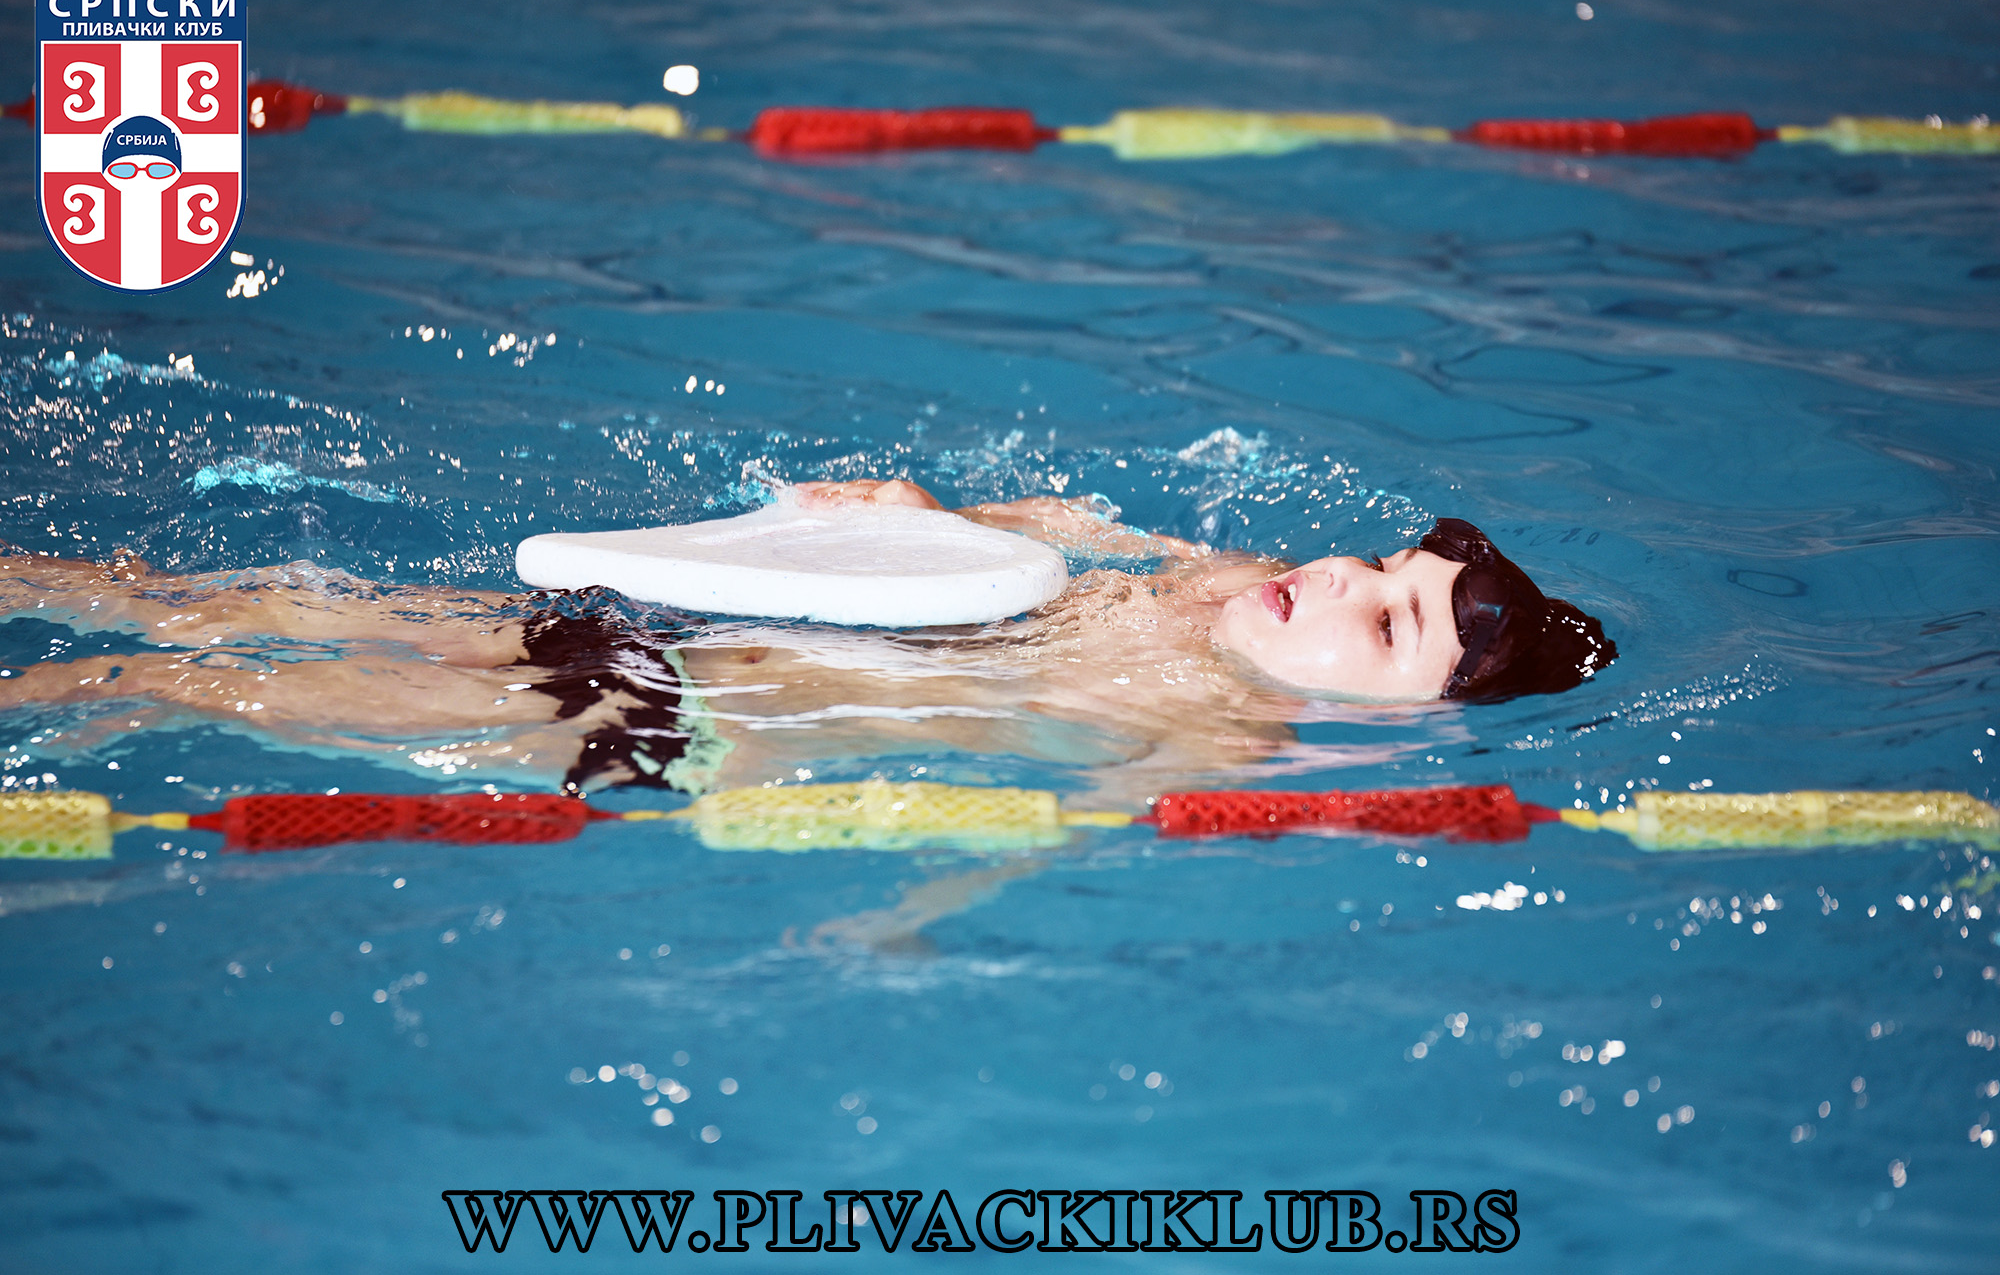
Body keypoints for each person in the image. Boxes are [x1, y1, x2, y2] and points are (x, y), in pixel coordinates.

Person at [0, 480, 1613, 803]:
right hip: (678, 625)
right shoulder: (1224, 579)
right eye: (1376, 563)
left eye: (1383, 620)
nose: (1336, 578)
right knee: (219, 602)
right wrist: (913, 509)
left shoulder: (1222, 744)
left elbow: (1046, 838)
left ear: (1394, 728)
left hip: (681, 728)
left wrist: (911, 912)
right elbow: (1039, 529)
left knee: (185, 688)